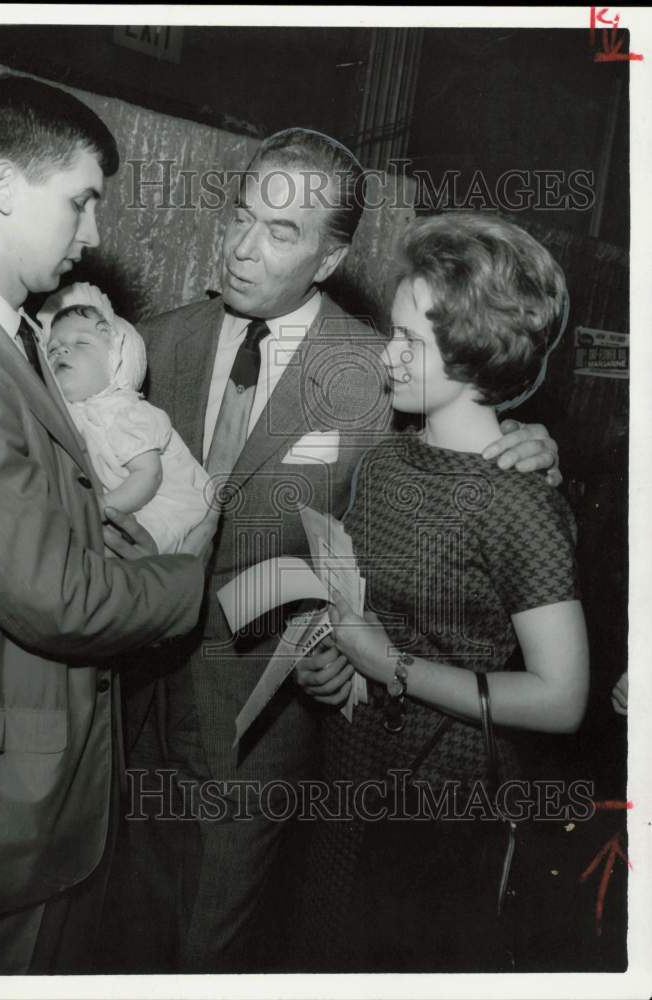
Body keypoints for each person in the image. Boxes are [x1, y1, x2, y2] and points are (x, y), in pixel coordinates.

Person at [108, 130, 563, 972]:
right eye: (241, 218)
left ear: (329, 258)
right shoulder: (154, 342)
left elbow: (464, 448)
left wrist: (531, 444)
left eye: (281, 234)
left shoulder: (380, 367)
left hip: (262, 725)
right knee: (128, 935)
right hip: (133, 707)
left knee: (210, 952)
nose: (243, 249)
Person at [0, 73, 209, 975]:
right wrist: (191, 581)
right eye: (82, 201)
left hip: (31, 806)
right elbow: (54, 595)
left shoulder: (9, 342)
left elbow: (61, 524)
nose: (95, 233)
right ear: (5, 189)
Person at [294, 212, 589, 971]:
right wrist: (330, 662)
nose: (386, 357)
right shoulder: (386, 464)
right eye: (392, 332)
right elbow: (356, 613)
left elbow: (562, 699)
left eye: (409, 341)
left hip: (443, 804)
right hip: (350, 772)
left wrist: (394, 667)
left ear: (475, 352)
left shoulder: (518, 499)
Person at [39, 283, 211, 554]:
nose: (62, 351)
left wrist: (99, 508)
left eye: (80, 343)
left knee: (119, 551)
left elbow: (148, 475)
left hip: (172, 505)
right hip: (128, 502)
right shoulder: (74, 414)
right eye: (54, 349)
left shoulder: (125, 412)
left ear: (117, 357)